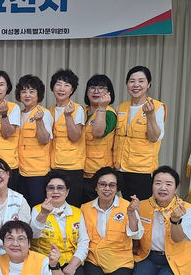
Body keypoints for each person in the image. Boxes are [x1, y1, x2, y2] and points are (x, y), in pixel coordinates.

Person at [114, 66, 167, 200]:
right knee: (122, 207)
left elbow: (154, 137)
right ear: (127, 84)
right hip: (119, 168)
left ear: (148, 84)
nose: (136, 85)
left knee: (140, 208)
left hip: (141, 171)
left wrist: (150, 115)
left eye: (141, 81)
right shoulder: (122, 107)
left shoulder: (157, 107)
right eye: (132, 81)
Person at [48, 69, 86, 207]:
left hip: (72, 166)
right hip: (53, 165)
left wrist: (68, 116)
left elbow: (75, 136)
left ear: (72, 90)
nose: (61, 89)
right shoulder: (49, 111)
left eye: (66, 85)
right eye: (58, 84)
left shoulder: (77, 109)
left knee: (72, 206)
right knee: (54, 205)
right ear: (53, 87)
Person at [15, 74, 53, 207]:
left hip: (38, 172)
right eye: (23, 91)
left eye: (31, 91)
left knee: (37, 208)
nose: (27, 95)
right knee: (22, 209)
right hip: (20, 170)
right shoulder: (18, 114)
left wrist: (39, 121)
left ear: (38, 95)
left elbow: (45, 140)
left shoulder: (44, 113)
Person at [83, 75, 117, 203]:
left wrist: (102, 107)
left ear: (109, 93)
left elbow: (97, 133)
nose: (96, 91)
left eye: (101, 88)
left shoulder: (109, 113)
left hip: (98, 173)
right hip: (80, 169)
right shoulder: (82, 110)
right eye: (92, 87)